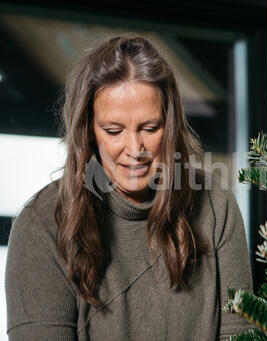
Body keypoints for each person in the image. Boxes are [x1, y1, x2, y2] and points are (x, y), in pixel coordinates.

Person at [5, 36, 253, 340]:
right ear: (89, 130)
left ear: (171, 125)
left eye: (150, 128)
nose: (135, 148)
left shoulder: (216, 205)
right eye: (114, 130)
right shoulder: (40, 225)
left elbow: (241, 334)